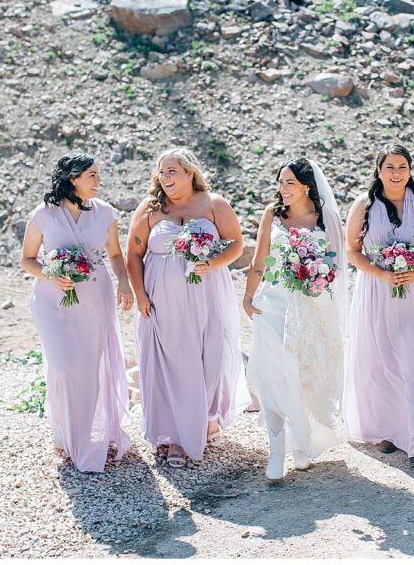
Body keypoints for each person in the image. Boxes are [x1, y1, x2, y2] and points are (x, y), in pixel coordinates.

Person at [126, 148, 250, 467]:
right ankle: (174, 437)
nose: (165, 178)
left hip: (207, 295)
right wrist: (140, 294)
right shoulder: (151, 208)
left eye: (172, 172)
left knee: (211, 358)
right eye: (161, 172)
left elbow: (236, 244)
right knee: (171, 362)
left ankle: (200, 419)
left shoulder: (213, 204)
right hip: (163, 299)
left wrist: (212, 262)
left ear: (189, 174)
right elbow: (133, 255)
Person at [342, 144, 414, 470]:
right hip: (379, 292)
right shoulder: (364, 205)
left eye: (403, 167)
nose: (396, 173)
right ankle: (391, 429)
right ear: (378, 170)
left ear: (410, 169)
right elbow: (352, 251)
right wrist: (383, 273)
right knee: (383, 361)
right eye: (390, 167)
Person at [21, 152, 134, 473]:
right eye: (92, 176)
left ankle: (86, 438)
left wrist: (124, 281)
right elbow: (27, 259)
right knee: (63, 367)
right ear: (73, 179)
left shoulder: (106, 214)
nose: (99, 181)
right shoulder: (43, 215)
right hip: (52, 302)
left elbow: (114, 254)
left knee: (90, 368)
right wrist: (49, 274)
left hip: (96, 300)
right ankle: (66, 435)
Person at [242, 158, 348, 481]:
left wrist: (313, 277)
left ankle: (302, 443)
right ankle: (276, 450)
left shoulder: (324, 217)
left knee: (302, 375)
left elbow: (335, 266)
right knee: (274, 374)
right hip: (272, 306)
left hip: (311, 308)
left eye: (289, 183)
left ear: (305, 186)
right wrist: (247, 297)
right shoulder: (272, 214)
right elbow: (260, 260)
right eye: (280, 182)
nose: (282, 189)